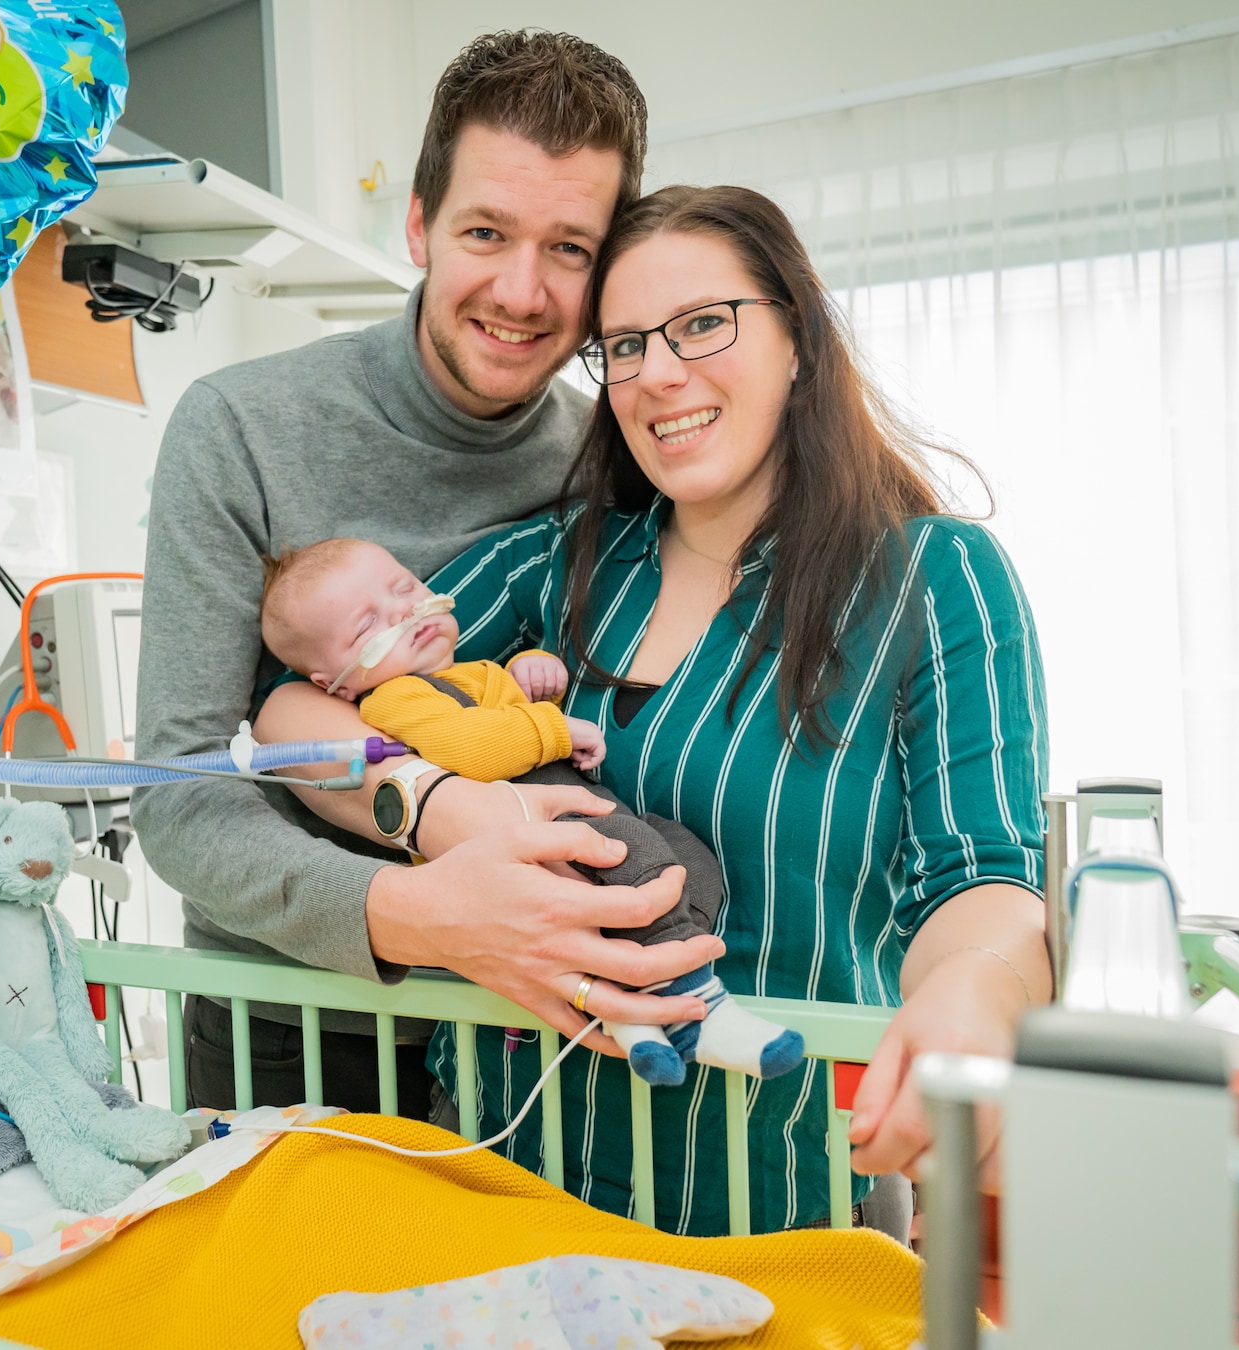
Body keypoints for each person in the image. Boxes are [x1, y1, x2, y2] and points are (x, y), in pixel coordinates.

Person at [258, 184, 1051, 1235]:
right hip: (498, 1167)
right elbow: (289, 721)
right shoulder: (562, 563)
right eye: (624, 345)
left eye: (703, 324)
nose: (658, 373)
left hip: (774, 1200)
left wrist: (980, 989)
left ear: (800, 336)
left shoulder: (930, 579)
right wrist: (439, 802)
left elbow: (987, 877)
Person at [132, 32, 723, 1120]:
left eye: (570, 250)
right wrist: (422, 906)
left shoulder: (615, 456)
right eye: (486, 232)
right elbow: (179, 799)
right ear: (419, 223)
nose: (521, 289)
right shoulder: (239, 431)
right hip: (288, 1020)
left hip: (542, 1022)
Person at [257, 536, 805, 1087]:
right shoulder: (393, 700)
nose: (402, 611)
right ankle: (699, 1010)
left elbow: (496, 705)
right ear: (338, 685)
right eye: (367, 626)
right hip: (531, 831)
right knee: (636, 857)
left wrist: (529, 672)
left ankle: (634, 1006)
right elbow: (470, 747)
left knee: (685, 856)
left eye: (405, 587)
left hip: (578, 809)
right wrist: (554, 727)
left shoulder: (472, 674)